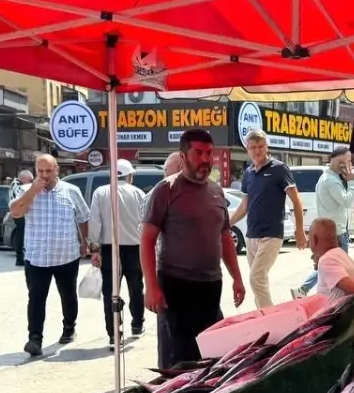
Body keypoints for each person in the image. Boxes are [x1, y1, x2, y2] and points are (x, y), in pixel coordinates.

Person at [142, 129, 246, 368]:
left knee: (210, 353)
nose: (206, 159)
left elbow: (225, 237)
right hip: (175, 285)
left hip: (211, 285)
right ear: (183, 156)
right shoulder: (165, 190)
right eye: (198, 153)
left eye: (209, 153)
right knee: (178, 358)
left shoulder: (217, 191)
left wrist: (237, 278)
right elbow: (147, 240)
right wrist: (151, 286)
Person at [9, 153, 89, 355]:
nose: (44, 175)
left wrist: (85, 242)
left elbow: (83, 217)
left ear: (57, 170)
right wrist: (32, 192)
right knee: (36, 298)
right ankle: (35, 338)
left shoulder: (71, 191)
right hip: (37, 257)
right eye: (40, 171)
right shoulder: (26, 190)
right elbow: (15, 213)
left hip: (66, 255)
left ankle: (69, 328)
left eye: (48, 170)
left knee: (68, 295)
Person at [229, 128, 307, 308]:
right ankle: (263, 317)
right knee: (260, 282)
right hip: (251, 235)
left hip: (271, 235)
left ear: (267, 147)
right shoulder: (248, 173)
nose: (257, 151)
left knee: (255, 278)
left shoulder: (279, 169)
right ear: (247, 149)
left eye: (261, 146)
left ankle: (270, 318)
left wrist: (299, 231)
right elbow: (245, 205)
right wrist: (227, 223)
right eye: (253, 147)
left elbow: (296, 201)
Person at [89, 159, 147, 343]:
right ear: (129, 176)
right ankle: (137, 324)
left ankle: (114, 334)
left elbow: (95, 222)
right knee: (136, 288)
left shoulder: (100, 192)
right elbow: (145, 224)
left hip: (108, 248)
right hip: (134, 249)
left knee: (110, 293)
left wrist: (94, 248)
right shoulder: (138, 193)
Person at [299, 147, 354, 295]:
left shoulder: (327, 178)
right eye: (348, 161)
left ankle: (303, 288)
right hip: (336, 233)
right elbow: (347, 201)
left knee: (329, 267)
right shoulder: (331, 181)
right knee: (338, 269)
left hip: (333, 231)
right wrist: (351, 183)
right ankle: (305, 289)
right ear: (340, 162)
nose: (349, 165)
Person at [309, 218, 354, 301]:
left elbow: (353, 289)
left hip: (338, 312)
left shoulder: (327, 261)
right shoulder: (339, 254)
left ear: (314, 239)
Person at [8, 169, 33, 267]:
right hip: (19, 213)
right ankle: (20, 258)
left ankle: (22, 256)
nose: (31, 182)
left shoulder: (16, 184)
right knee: (21, 234)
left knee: (22, 233)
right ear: (23, 179)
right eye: (30, 180)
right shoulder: (17, 186)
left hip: (20, 212)